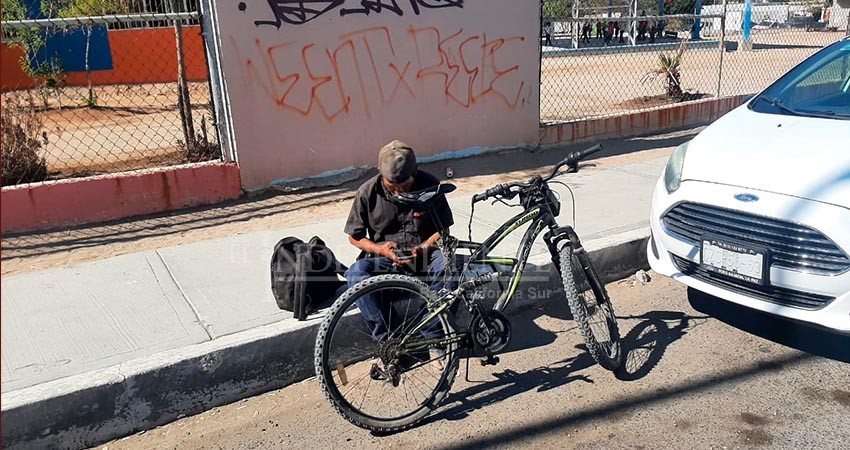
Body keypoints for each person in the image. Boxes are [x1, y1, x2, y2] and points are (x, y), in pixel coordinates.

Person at [344, 140, 454, 344]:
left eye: (405, 185)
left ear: (415, 171)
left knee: (448, 266)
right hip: (386, 260)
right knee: (355, 273)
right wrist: (380, 249)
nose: (399, 191)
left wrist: (424, 247)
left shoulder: (430, 184)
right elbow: (354, 236)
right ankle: (389, 341)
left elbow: (443, 230)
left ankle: (432, 337)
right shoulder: (367, 192)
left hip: (425, 257)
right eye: (392, 186)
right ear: (381, 174)